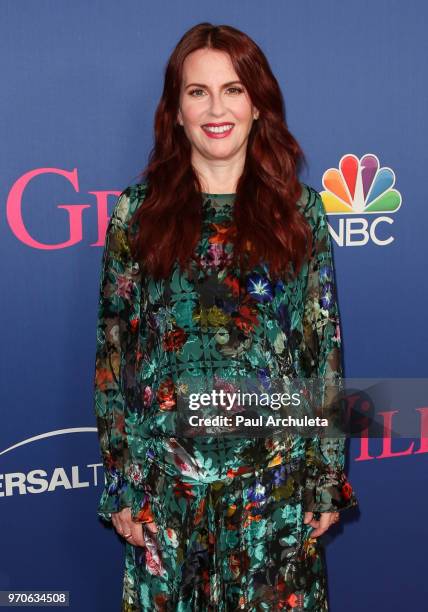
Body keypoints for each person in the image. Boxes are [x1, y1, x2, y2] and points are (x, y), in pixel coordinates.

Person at [93, 22, 358, 612]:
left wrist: (324, 476)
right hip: (167, 498)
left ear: (258, 104)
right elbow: (116, 360)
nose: (217, 108)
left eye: (234, 89)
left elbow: (322, 351)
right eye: (198, 92)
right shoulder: (135, 215)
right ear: (176, 110)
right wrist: (123, 480)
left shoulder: (300, 212)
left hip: (277, 498)